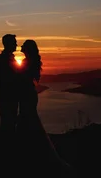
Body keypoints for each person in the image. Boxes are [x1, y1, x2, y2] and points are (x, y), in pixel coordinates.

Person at [16, 39, 74, 175]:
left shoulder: (26, 63)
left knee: (28, 119)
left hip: (27, 95)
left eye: (24, 45)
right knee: (30, 120)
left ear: (28, 48)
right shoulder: (31, 61)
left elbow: (20, 79)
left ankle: (33, 154)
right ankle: (35, 153)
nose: (21, 47)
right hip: (30, 94)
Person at [0, 33, 19, 138]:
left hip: (8, 96)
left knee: (10, 123)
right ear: (8, 44)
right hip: (6, 97)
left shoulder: (7, 58)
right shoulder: (3, 59)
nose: (16, 45)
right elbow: (10, 78)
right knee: (8, 124)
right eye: (14, 42)